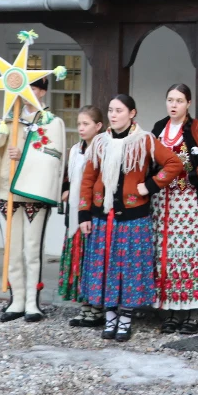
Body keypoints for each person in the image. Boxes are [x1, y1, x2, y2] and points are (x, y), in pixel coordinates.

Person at [76, 94, 184, 341]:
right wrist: (84, 213)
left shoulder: (145, 140)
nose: (113, 115)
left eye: (119, 111)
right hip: (103, 217)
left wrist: (151, 185)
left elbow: (174, 164)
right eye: (111, 110)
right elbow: (88, 179)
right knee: (106, 268)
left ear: (132, 113)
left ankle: (125, 319)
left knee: (129, 270)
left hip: (134, 218)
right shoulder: (100, 143)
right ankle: (110, 316)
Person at [0, 76, 67, 323]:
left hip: (33, 194)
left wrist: (25, 154)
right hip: (7, 192)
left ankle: (32, 302)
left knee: (32, 248)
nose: (26, 93)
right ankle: (16, 299)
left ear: (41, 92)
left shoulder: (52, 122)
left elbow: (53, 157)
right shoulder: (10, 119)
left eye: (32, 88)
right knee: (12, 248)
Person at [150, 83, 198, 334]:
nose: (173, 105)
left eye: (179, 101)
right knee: (166, 258)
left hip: (190, 202)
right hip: (162, 202)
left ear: (188, 104)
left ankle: (192, 313)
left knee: (189, 255)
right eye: (170, 100)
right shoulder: (158, 129)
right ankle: (171, 312)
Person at [60, 105, 105, 328]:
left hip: (92, 212)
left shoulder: (102, 148)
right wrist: (66, 190)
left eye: (86, 124)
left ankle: (97, 307)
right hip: (75, 209)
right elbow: (70, 176)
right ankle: (84, 306)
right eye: (79, 124)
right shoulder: (75, 149)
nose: (81, 128)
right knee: (78, 256)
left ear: (98, 126)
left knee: (92, 258)